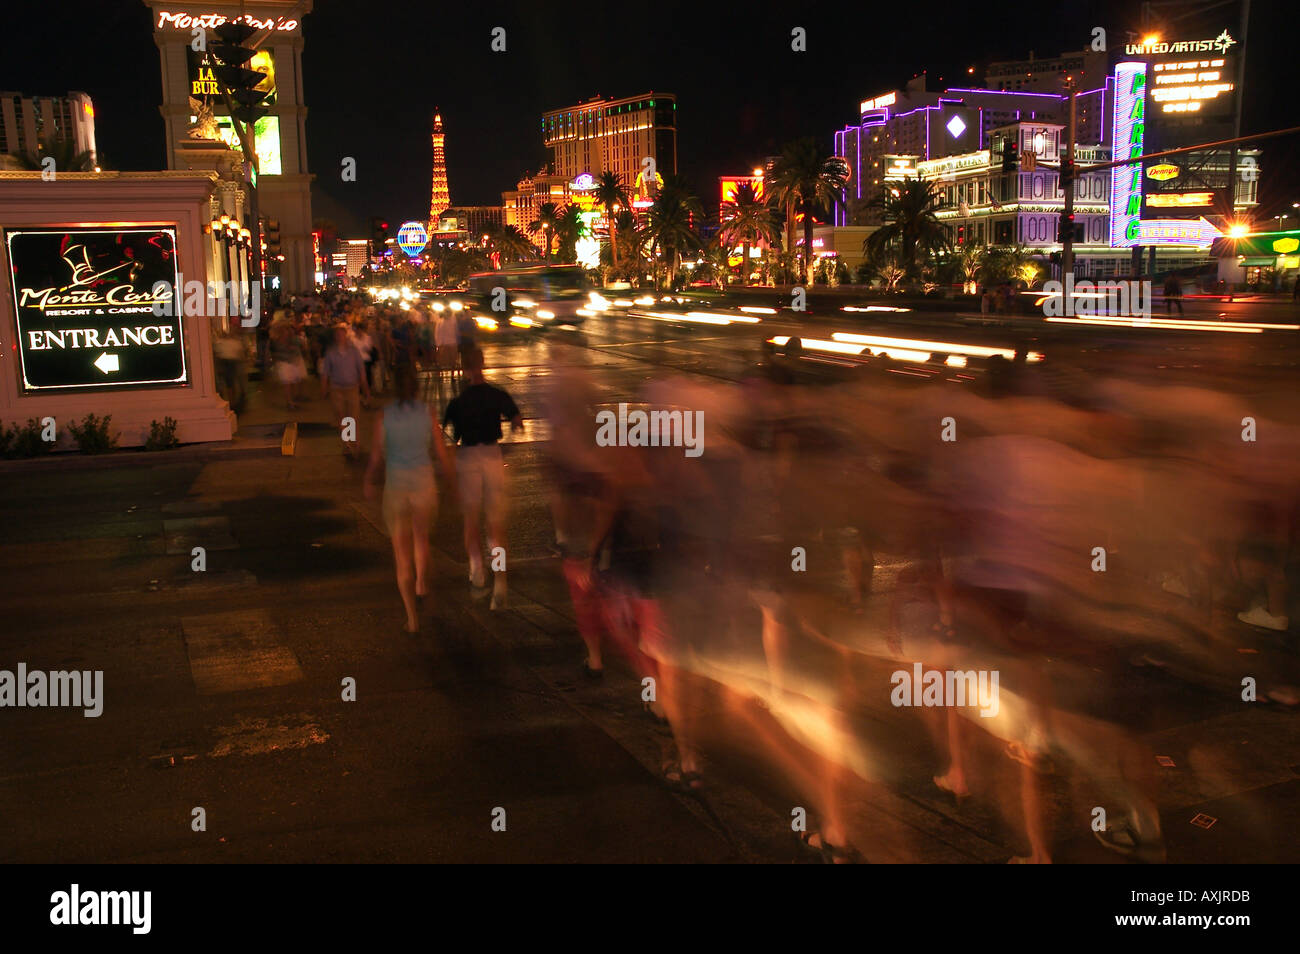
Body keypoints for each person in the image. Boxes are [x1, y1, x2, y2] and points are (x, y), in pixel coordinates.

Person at [364, 365, 457, 634]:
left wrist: (369, 480)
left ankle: (412, 619)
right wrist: (451, 482)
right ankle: (421, 584)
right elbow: (441, 453)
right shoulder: (427, 414)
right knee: (421, 538)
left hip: (396, 487)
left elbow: (377, 456)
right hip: (423, 485)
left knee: (400, 553)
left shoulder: (384, 417)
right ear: (416, 388)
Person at [442, 347, 523, 609]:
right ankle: (500, 580)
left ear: (464, 368)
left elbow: (450, 436)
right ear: (483, 364)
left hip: (468, 458)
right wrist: (512, 429)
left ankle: (477, 570)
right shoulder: (497, 394)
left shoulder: (458, 402)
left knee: (471, 519)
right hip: (492, 456)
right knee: (495, 524)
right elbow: (516, 418)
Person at [321, 323, 371, 458]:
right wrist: (324, 388)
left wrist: (366, 390)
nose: (340, 337)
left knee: (353, 417)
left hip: (352, 388)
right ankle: (347, 444)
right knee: (342, 418)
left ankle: (355, 442)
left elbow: (361, 371)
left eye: (342, 335)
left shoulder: (354, 352)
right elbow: (325, 372)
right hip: (337, 389)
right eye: (337, 335)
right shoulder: (330, 353)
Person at [270, 320, 307, 410]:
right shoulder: (276, 339)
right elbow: (275, 351)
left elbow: (300, 345)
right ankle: (290, 402)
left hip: (292, 362)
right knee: (287, 384)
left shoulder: (292, 338)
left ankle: (292, 400)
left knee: (292, 382)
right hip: (284, 363)